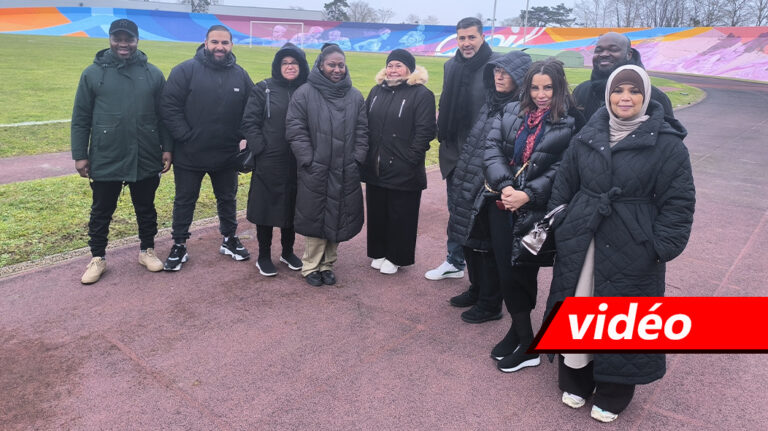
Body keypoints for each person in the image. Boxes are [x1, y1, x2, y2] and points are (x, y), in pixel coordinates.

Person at [545, 65, 695, 422]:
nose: (624, 98)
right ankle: (576, 377)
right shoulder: (588, 134)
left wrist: (661, 246)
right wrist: (562, 223)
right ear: (609, 94)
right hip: (584, 236)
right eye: (618, 91)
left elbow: (679, 202)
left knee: (623, 316)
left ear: (645, 97)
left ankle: (614, 392)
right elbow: (565, 183)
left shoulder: (668, 144)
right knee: (578, 305)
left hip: (633, 241)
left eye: (633, 91)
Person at [483, 59, 577, 372]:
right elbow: (492, 148)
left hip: (536, 212)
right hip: (503, 203)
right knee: (505, 271)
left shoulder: (570, 121)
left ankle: (527, 344)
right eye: (535, 87)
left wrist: (528, 194)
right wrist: (506, 186)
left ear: (558, 87)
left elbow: (564, 167)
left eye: (547, 87)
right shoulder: (511, 111)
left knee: (521, 273)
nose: (541, 94)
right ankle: (519, 332)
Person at [71, 18, 172, 284]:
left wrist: (167, 149)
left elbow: (164, 117)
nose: (123, 44)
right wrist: (80, 154)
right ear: (110, 40)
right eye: (118, 38)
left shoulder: (153, 73)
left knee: (146, 207)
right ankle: (97, 258)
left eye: (129, 39)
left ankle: (147, 250)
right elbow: (81, 117)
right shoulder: (92, 74)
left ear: (137, 40)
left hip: (146, 152)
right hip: (106, 154)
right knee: (101, 210)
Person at [446, 51, 532, 323]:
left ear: (520, 78)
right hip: (471, 180)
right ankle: (477, 288)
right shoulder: (491, 102)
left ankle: (490, 303)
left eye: (505, 72)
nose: (499, 76)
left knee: (491, 249)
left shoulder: (520, 109)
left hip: (493, 188)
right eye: (496, 71)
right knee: (471, 241)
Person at [160, 25, 254, 271]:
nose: (219, 47)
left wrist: (240, 134)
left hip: (226, 155)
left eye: (225, 43)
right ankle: (179, 244)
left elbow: (251, 109)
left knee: (227, 198)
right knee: (185, 200)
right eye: (215, 42)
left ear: (231, 45)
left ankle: (229, 239)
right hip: (190, 154)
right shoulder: (185, 71)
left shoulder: (240, 75)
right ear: (205, 42)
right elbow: (169, 106)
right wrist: (185, 136)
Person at [285, 43, 368, 287]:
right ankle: (311, 266)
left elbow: (363, 130)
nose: (337, 69)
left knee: (339, 217)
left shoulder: (355, 96)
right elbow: (295, 129)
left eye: (340, 65)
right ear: (321, 65)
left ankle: (328, 264)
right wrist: (308, 159)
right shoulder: (305, 93)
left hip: (346, 169)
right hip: (316, 169)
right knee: (316, 219)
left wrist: (358, 157)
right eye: (332, 64)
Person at [426, 17, 499, 283]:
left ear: (482, 37)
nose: (466, 43)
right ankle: (455, 261)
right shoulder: (451, 65)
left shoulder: (495, 65)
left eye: (471, 37)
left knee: (482, 216)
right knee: (456, 209)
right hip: (454, 150)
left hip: (485, 153)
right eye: (462, 38)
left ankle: (485, 274)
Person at [362, 49, 436, 275]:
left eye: (398, 66)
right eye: (390, 65)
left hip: (404, 168)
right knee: (377, 212)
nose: (393, 70)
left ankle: (397, 256)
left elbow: (425, 132)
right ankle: (379, 251)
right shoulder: (376, 91)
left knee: (401, 215)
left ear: (409, 69)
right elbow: (365, 123)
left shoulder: (421, 94)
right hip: (376, 165)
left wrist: (411, 159)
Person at [241, 43, 309, 277]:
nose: (290, 67)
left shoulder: (308, 90)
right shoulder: (264, 88)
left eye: (294, 62)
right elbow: (249, 122)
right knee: (266, 208)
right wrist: (261, 149)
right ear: (278, 66)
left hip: (299, 161)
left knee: (292, 208)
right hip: (270, 161)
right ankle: (263, 255)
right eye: (285, 63)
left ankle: (287, 251)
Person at [572, 32, 674, 123]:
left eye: (613, 49)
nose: (604, 54)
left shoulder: (654, 96)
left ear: (629, 54)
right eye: (598, 50)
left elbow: (670, 139)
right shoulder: (581, 90)